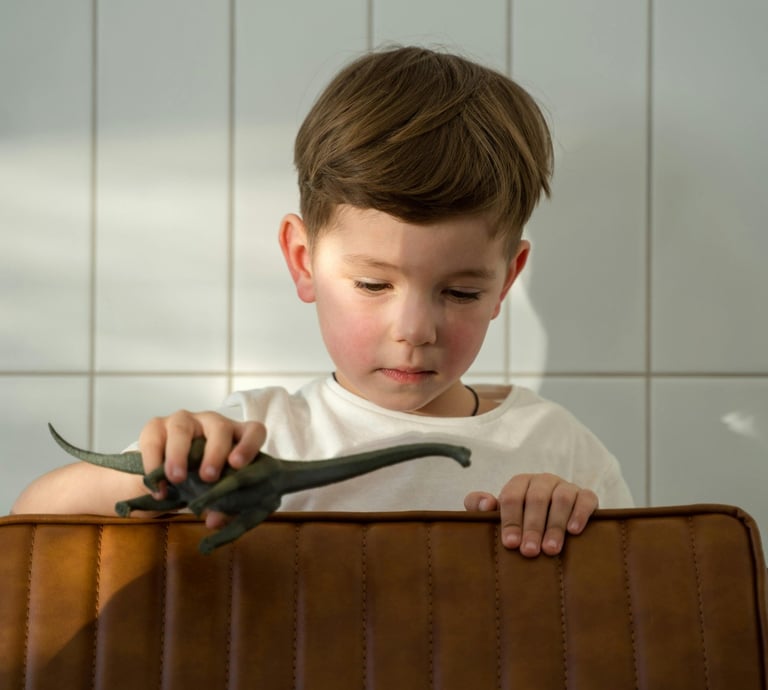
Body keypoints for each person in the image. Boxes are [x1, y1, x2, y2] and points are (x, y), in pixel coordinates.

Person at [12, 46, 633, 557]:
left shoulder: (559, 448)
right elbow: (31, 520)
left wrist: (579, 522)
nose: (415, 330)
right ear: (303, 261)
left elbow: (640, 607)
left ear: (508, 278)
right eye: (373, 285)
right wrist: (166, 461)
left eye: (461, 291)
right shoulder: (256, 438)